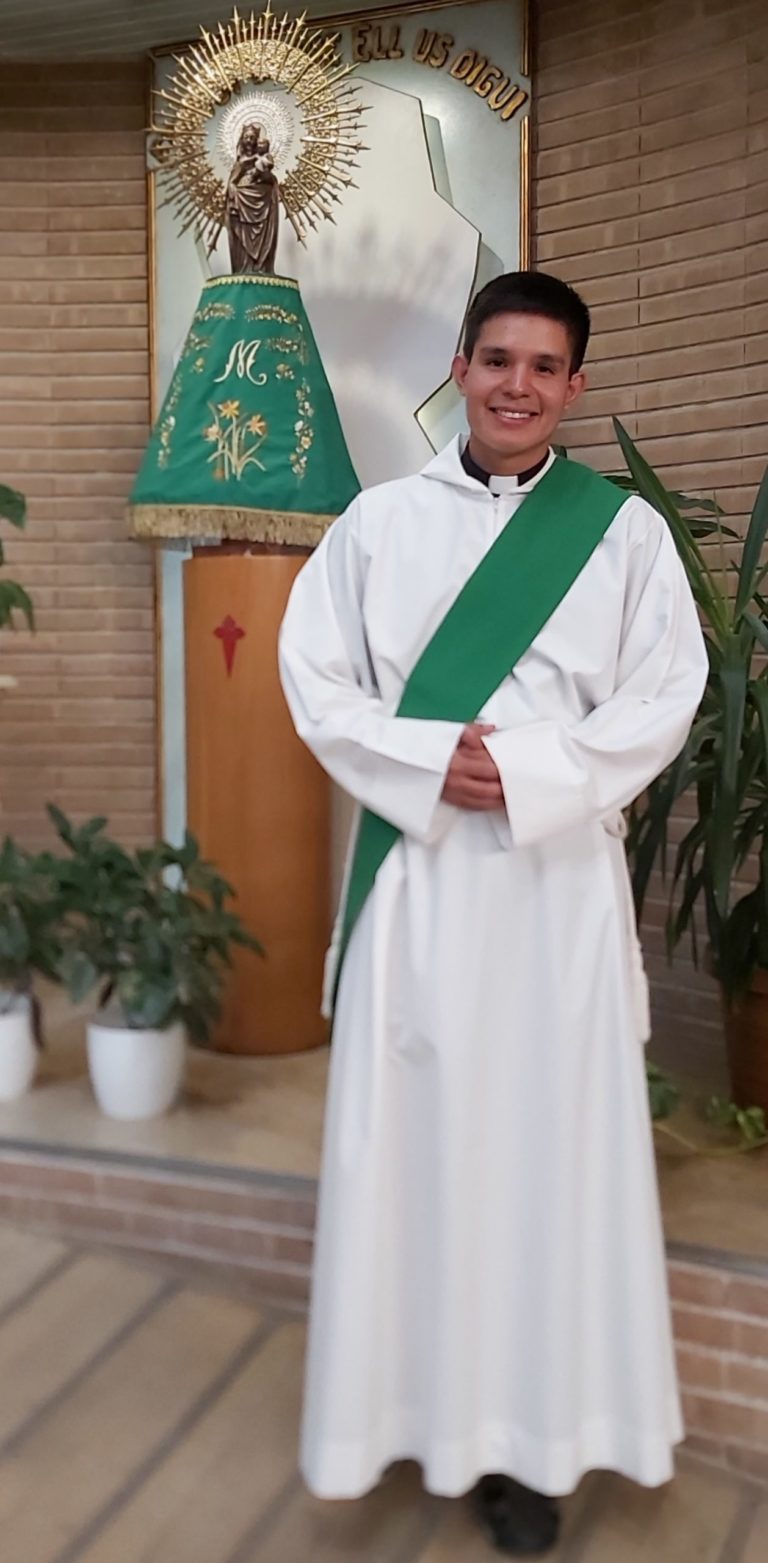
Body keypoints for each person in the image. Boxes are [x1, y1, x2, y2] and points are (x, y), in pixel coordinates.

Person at [278, 271, 708, 1556]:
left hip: (554, 891)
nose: (518, 386)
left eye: (545, 367)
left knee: (544, 1169)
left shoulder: (623, 536)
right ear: (460, 367)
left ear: (574, 386)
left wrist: (524, 770)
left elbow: (664, 694)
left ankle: (533, 1443)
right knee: (417, 1157)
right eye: (498, 359)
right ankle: (402, 1413)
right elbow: (318, 682)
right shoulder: (377, 526)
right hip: (420, 890)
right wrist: (428, 760)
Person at [225, 122, 279, 275]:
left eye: (252, 138)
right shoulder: (239, 163)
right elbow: (232, 182)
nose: (249, 141)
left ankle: (261, 266)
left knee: (263, 239)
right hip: (242, 203)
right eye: (246, 137)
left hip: (263, 203)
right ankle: (243, 268)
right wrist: (233, 192)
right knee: (241, 241)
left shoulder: (264, 158)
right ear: (241, 140)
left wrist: (265, 176)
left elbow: (271, 180)